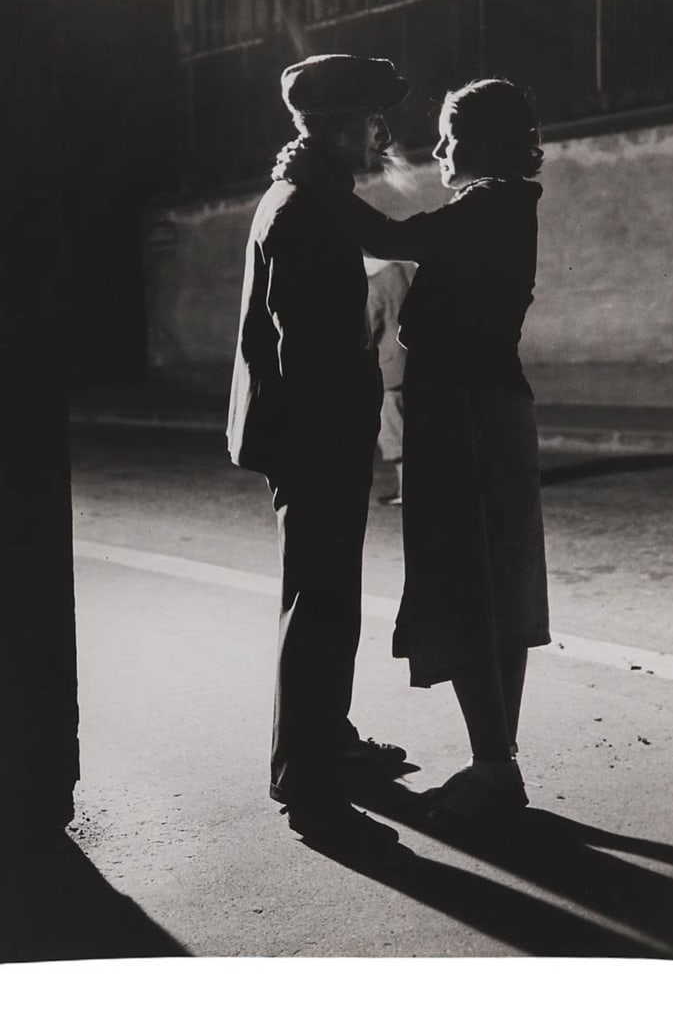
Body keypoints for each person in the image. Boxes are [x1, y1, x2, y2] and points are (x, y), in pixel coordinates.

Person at [274, 78, 551, 822]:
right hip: (499, 403)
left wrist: (312, 178)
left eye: (450, 138)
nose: (438, 152)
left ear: (484, 142)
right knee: (500, 584)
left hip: (459, 411)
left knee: (464, 581)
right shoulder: (508, 204)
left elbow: (388, 238)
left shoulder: (485, 204)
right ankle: (500, 759)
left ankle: (494, 768)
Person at [226, 54, 412, 849]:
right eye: (372, 119)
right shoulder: (304, 207)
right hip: (315, 437)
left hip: (317, 433)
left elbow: (397, 236)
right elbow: (306, 346)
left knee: (326, 600)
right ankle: (306, 783)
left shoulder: (315, 193)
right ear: (339, 126)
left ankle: (324, 743)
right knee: (319, 603)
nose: (383, 134)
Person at [365, 257, 412, 505]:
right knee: (409, 427)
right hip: (407, 360)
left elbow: (368, 329)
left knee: (394, 432)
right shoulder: (398, 274)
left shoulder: (373, 286)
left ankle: (407, 490)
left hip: (387, 368)